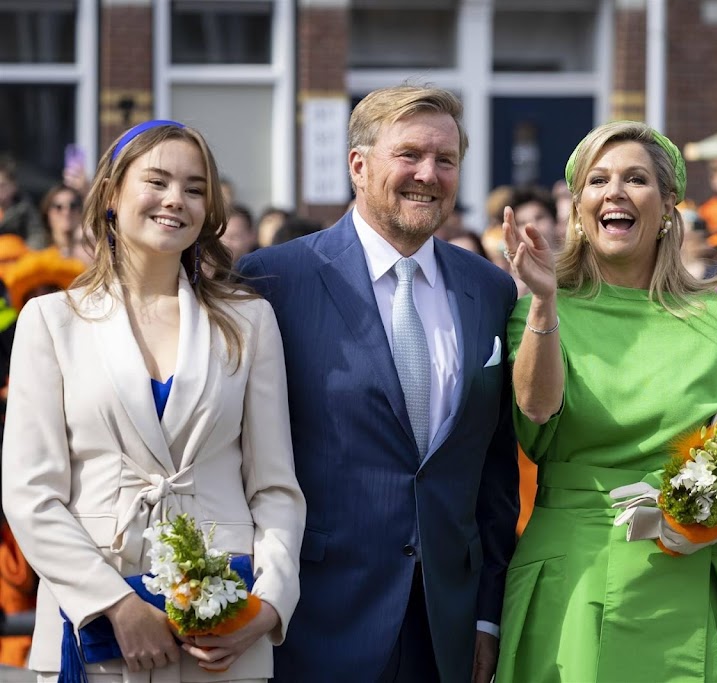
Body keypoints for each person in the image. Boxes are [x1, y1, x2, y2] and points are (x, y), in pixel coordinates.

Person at [1, 120, 306, 681]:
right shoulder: (51, 321)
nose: (175, 200)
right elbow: (30, 493)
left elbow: (275, 489)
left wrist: (269, 605)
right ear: (111, 194)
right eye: (158, 181)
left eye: (194, 188)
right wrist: (115, 605)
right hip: (90, 632)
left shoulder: (248, 322)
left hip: (220, 639)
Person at [237, 85, 519, 683]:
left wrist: (487, 616)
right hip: (313, 620)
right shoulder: (275, 280)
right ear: (358, 165)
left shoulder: (489, 289)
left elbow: (493, 470)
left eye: (446, 159)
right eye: (409, 154)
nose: (428, 174)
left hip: (445, 627)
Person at [495, 120, 717, 682]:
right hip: (572, 579)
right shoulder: (539, 310)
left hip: (688, 579)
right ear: (578, 207)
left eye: (636, 179)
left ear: (668, 204)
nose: (614, 193)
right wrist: (544, 302)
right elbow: (535, 413)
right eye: (598, 180)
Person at [39, 183, 86, 258]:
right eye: (58, 207)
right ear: (47, 213)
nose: (66, 212)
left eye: (73, 206)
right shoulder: (37, 252)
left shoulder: (92, 252)